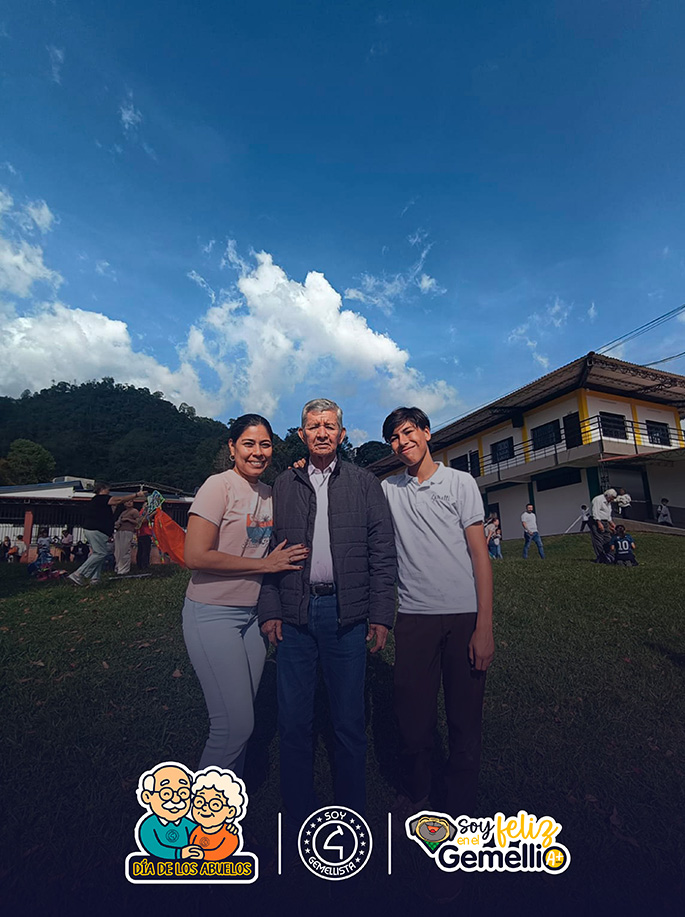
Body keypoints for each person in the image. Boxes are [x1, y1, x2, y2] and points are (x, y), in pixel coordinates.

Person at [257, 398, 396, 829]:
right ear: (302, 434)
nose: (321, 433)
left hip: (346, 615)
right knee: (293, 722)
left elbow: (383, 552)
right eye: (314, 426)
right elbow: (267, 551)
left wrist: (381, 614)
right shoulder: (283, 484)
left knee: (349, 722)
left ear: (342, 434)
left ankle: (351, 814)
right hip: (294, 615)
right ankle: (298, 813)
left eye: (329, 426)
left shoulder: (364, 483)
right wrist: (269, 609)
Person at [381, 407, 494, 904]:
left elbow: (479, 555)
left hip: (464, 615)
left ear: (426, 433)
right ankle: (419, 793)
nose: (402, 441)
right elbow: (345, 492)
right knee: (412, 716)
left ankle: (462, 819)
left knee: (465, 722)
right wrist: (307, 464)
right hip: (415, 617)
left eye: (408, 432)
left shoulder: (460, 483)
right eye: (393, 437)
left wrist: (485, 625)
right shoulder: (389, 490)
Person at [182, 414, 308, 778]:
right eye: (248, 444)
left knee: (241, 719)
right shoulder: (217, 486)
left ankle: (227, 802)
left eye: (265, 445)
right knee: (233, 725)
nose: (257, 452)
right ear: (232, 447)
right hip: (212, 613)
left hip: (252, 619)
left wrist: (302, 472)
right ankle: (202, 811)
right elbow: (195, 556)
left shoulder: (270, 492)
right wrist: (264, 565)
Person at [67, 484, 146, 586]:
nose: (109, 491)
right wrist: (137, 495)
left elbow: (109, 513)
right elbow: (119, 500)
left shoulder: (97, 502)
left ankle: (95, 578)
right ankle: (78, 573)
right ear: (102, 489)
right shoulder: (101, 498)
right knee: (100, 554)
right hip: (96, 530)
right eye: (107, 489)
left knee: (99, 554)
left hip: (96, 531)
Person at [136, 763, 203, 860]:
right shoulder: (149, 825)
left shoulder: (188, 824)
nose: (176, 799)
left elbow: (202, 835)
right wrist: (179, 853)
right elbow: (153, 847)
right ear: (147, 797)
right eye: (166, 793)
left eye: (183, 793)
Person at [188, 769, 244, 860]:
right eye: (199, 802)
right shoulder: (196, 831)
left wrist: (204, 855)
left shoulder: (228, 833)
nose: (204, 807)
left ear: (230, 812)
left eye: (215, 805)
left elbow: (225, 850)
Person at [589, 488, 617, 563]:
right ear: (607, 495)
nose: (612, 500)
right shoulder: (598, 499)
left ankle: (609, 555)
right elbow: (595, 512)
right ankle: (600, 557)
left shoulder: (608, 502)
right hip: (596, 521)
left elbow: (608, 513)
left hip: (604, 521)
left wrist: (611, 523)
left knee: (607, 537)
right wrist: (599, 523)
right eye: (611, 498)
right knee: (598, 539)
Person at [114, 499, 141, 574]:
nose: (129, 503)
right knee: (118, 551)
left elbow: (138, 522)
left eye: (131, 501)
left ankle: (124, 569)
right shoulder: (123, 512)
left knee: (125, 550)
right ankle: (118, 567)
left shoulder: (134, 511)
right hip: (119, 531)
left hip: (128, 531)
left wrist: (128, 519)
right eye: (127, 501)